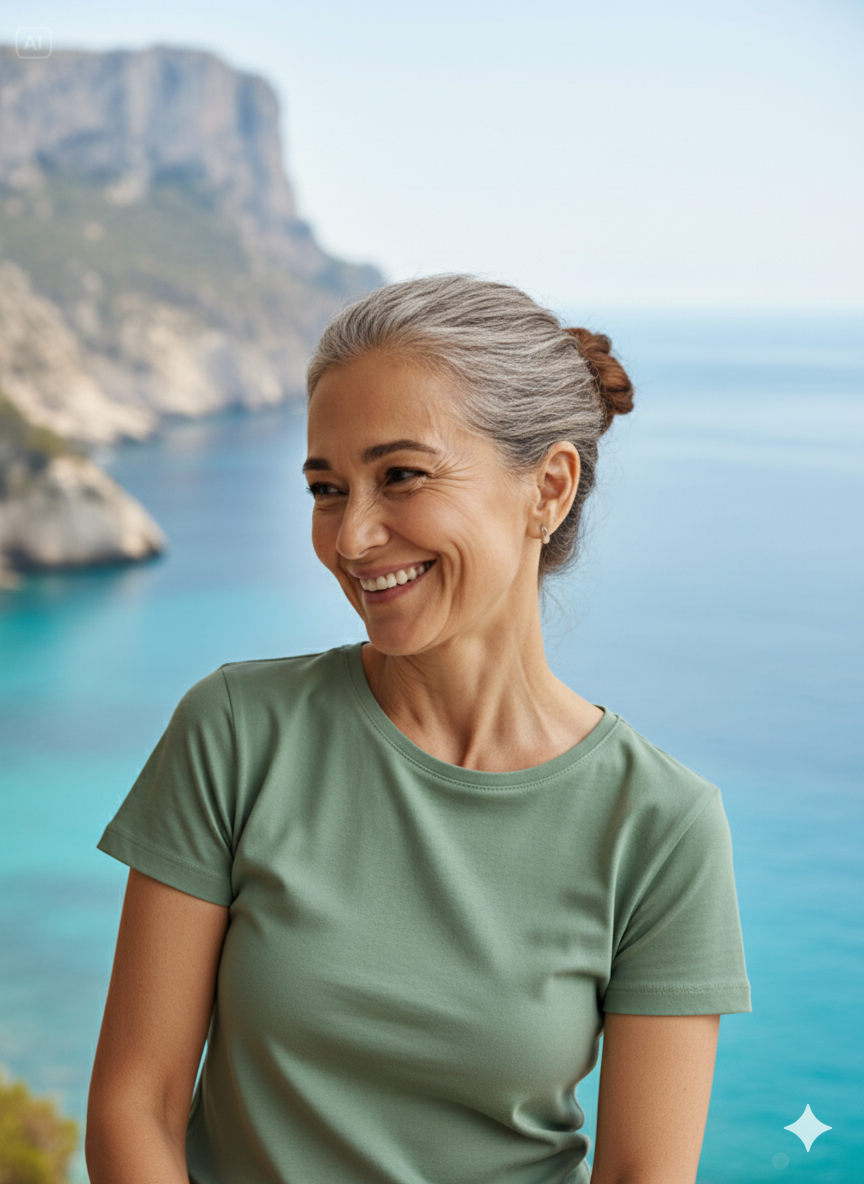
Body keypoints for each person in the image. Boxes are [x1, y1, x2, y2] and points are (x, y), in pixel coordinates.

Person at [86, 274, 751, 1184]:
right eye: (327, 488)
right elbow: (136, 1106)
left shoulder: (661, 826)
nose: (351, 538)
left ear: (548, 489)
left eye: (401, 476)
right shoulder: (238, 732)